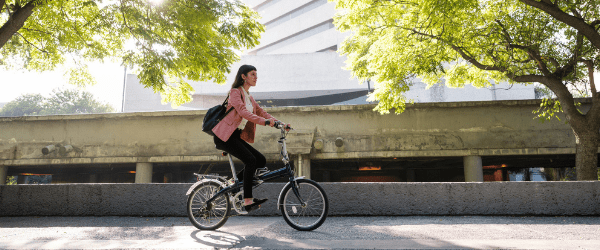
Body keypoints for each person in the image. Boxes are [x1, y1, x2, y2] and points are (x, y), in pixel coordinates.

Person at [212, 64, 289, 212]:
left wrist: (281, 124)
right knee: (250, 160)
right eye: (252, 74)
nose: (256, 77)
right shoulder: (235, 93)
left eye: (256, 74)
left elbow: (262, 113)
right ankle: (247, 200)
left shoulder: (250, 98)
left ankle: (234, 184)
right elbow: (242, 112)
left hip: (234, 137)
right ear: (243, 76)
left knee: (260, 160)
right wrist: (265, 123)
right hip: (224, 137)